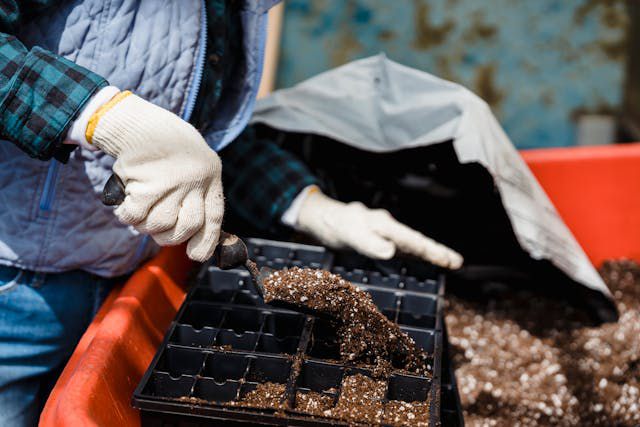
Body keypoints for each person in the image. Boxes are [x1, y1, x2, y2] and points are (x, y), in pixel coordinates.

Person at [0, 1, 463, 425]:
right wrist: (100, 115)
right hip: (17, 285)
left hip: (127, 277)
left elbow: (203, 141)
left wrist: (308, 205)